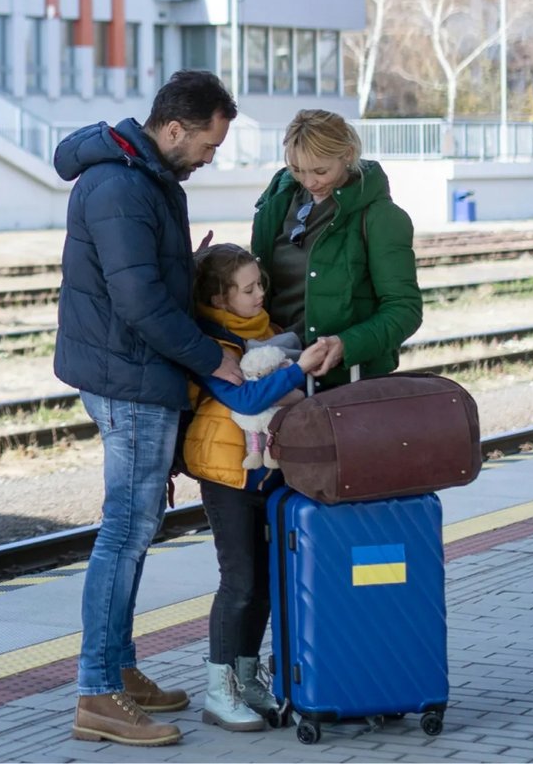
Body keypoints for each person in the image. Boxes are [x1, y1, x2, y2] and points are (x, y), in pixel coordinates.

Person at [53, 70, 241, 748]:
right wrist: (212, 358)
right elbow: (138, 304)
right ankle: (97, 693)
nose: (209, 157)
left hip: (129, 369)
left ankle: (119, 669)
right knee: (125, 533)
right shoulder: (123, 186)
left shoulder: (144, 178)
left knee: (133, 529)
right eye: (208, 145)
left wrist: (181, 268)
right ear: (174, 129)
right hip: (129, 377)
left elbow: (137, 278)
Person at [181, 243, 328, 732]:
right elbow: (243, 398)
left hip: (268, 473)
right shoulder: (212, 345)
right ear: (220, 299)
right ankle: (217, 690)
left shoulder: (266, 332)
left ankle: (246, 680)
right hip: (227, 475)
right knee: (240, 582)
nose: (260, 294)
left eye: (260, 284)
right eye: (248, 290)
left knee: (265, 583)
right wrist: (296, 371)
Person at [250, 109, 423, 386]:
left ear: (348, 155)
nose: (309, 182)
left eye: (321, 171)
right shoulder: (278, 203)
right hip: (278, 374)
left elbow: (404, 309)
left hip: (345, 381)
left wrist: (346, 344)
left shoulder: (381, 217)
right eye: (298, 170)